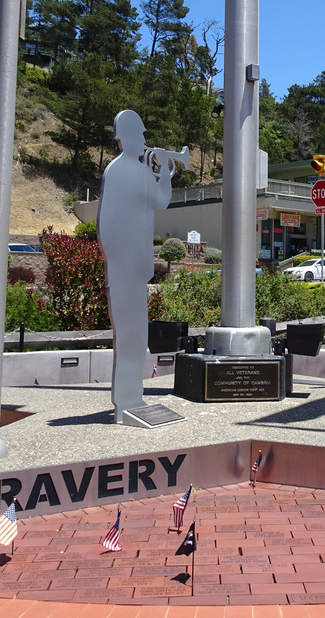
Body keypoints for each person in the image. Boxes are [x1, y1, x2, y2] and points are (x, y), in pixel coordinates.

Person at [97, 111, 186, 423]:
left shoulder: (139, 171)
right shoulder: (119, 171)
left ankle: (133, 397)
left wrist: (164, 171)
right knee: (128, 337)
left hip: (135, 269)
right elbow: (107, 224)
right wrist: (119, 260)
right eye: (141, 134)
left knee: (137, 337)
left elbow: (160, 200)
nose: (146, 140)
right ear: (127, 136)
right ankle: (126, 400)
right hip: (126, 268)